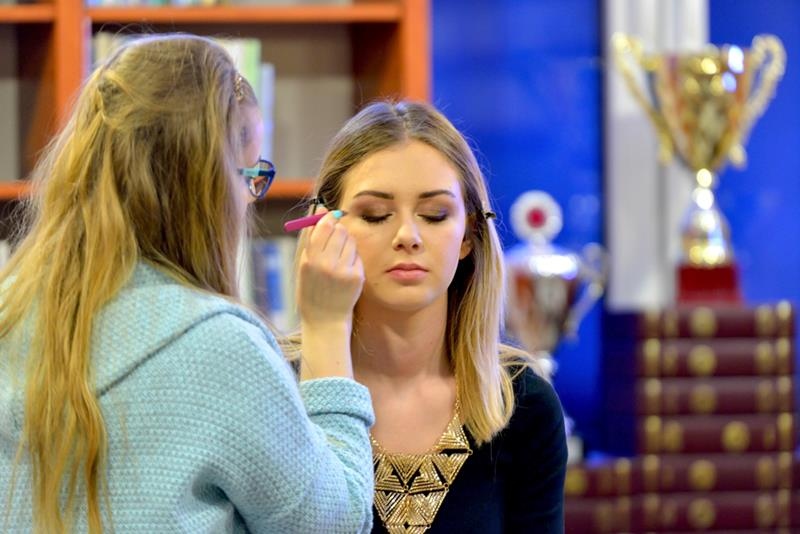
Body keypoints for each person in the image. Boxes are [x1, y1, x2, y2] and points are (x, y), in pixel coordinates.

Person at [0, 34, 374, 533]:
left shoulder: (10, 316)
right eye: (249, 176)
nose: (250, 199)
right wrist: (327, 326)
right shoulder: (220, 346)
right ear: (206, 184)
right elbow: (334, 523)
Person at [287, 100, 568, 533]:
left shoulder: (524, 405)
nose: (408, 236)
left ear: (468, 235)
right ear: (326, 226)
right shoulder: (274, 389)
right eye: (376, 215)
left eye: (435, 215)